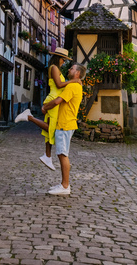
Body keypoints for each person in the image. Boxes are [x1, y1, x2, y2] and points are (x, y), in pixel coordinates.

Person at [14, 47, 81, 171]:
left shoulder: (57, 68)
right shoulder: (54, 68)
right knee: (52, 128)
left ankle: (47, 156)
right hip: (53, 99)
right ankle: (29, 117)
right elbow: (59, 85)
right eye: (63, 59)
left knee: (49, 127)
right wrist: (74, 81)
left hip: (56, 99)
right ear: (58, 58)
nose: (64, 62)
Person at [41, 62, 86, 196]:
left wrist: (44, 107)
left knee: (62, 154)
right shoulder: (74, 85)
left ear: (77, 73)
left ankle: (65, 186)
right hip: (66, 123)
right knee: (62, 153)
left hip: (65, 124)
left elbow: (57, 101)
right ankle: (63, 184)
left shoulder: (72, 86)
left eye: (72, 68)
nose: (69, 70)